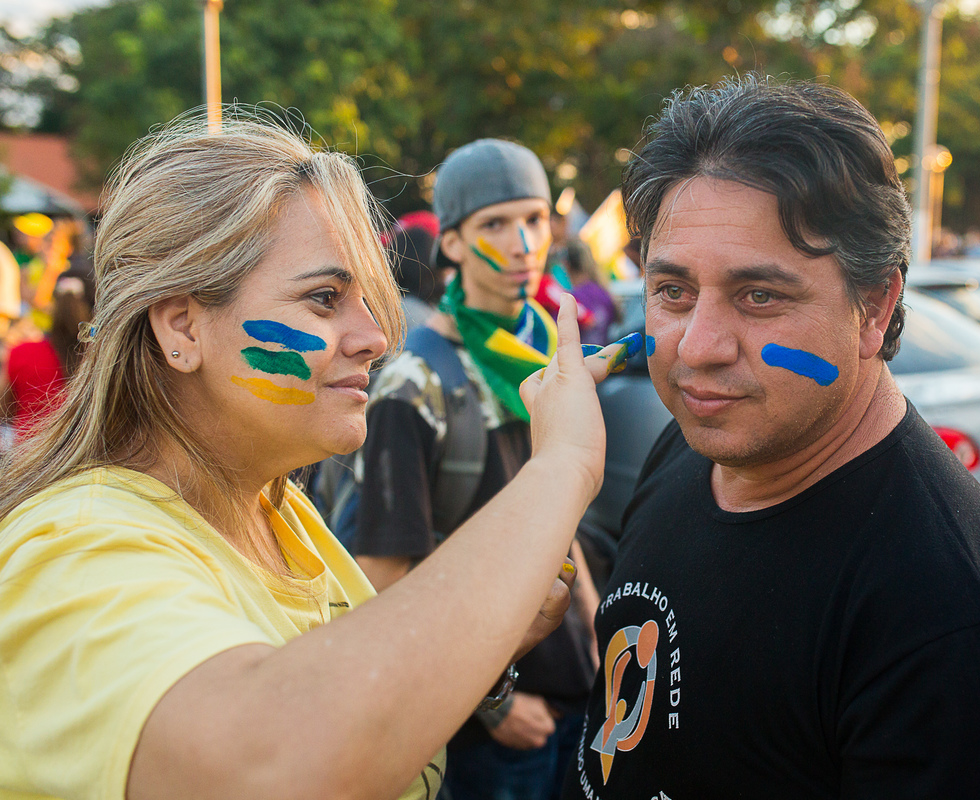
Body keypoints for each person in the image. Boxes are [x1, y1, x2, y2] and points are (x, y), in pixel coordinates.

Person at [0, 108, 620, 800]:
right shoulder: (76, 548)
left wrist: (491, 642)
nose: (375, 338)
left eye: (365, 298)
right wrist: (562, 463)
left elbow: (351, 703)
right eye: (324, 299)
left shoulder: (280, 510)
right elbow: (269, 765)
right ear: (182, 328)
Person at [565, 75, 980, 798]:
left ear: (875, 307)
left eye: (760, 296)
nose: (697, 347)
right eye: (673, 291)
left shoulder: (960, 629)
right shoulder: (693, 446)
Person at [352, 138, 606, 800]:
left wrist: (596, 623)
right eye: (495, 224)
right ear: (454, 243)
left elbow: (554, 507)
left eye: (535, 219)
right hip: (486, 728)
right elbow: (385, 585)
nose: (523, 242)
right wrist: (488, 704)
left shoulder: (546, 353)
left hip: (579, 698)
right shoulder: (413, 385)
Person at [0, 267, 94, 439]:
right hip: (87, 458)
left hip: (28, 458)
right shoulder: (104, 359)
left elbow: (4, 408)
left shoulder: (22, 352)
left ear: (53, 306)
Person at [563, 241, 619, 345]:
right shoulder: (604, 293)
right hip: (604, 356)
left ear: (567, 265)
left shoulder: (571, 299)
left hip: (579, 357)